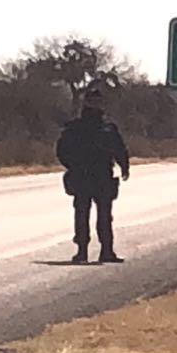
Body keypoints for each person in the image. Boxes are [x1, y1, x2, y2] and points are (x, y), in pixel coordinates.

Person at [56, 88, 130, 264]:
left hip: (103, 176)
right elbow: (61, 150)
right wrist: (72, 166)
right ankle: (82, 251)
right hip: (82, 176)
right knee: (82, 214)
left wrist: (124, 166)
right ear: (86, 102)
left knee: (105, 215)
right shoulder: (75, 128)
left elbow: (119, 149)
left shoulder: (108, 128)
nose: (95, 104)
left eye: (98, 101)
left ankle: (107, 251)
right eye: (92, 101)